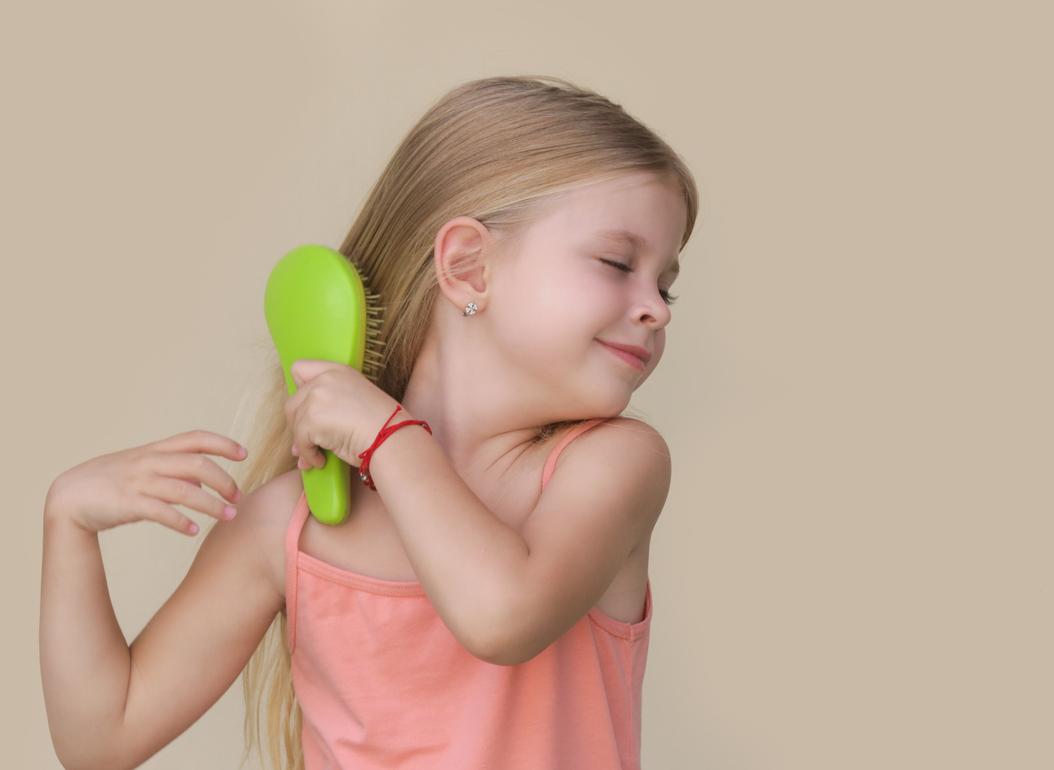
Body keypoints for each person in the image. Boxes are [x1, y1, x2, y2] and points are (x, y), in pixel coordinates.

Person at [39, 74, 698, 770]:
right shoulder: (289, 525)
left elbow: (502, 618)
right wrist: (67, 523)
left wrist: (388, 439)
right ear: (468, 267)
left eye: (666, 284)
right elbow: (101, 741)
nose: (656, 308)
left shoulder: (612, 465)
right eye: (617, 263)